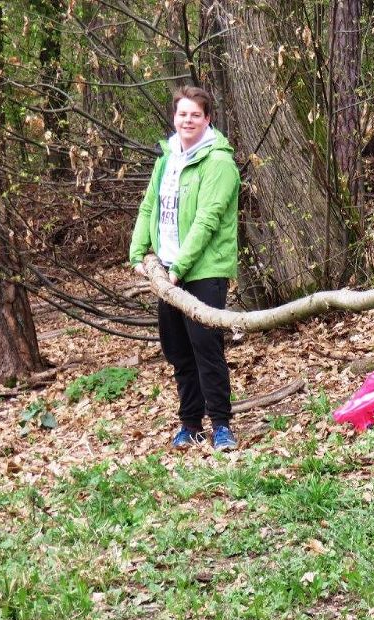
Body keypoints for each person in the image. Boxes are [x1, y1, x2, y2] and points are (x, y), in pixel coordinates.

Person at [130, 86, 240, 451]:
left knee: (205, 347)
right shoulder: (167, 159)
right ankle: (190, 424)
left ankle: (221, 425)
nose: (188, 120)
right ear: (174, 117)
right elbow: (149, 207)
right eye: (182, 114)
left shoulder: (219, 162)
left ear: (207, 119)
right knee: (178, 350)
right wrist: (138, 253)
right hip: (167, 272)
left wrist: (178, 268)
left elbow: (208, 220)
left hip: (203, 270)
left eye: (195, 114)